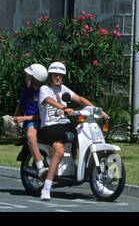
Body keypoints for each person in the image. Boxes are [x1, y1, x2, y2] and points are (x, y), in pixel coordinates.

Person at [37, 61, 107, 201]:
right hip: (49, 127)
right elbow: (49, 100)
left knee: (81, 137)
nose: (58, 78)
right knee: (60, 151)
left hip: (64, 125)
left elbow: (79, 99)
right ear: (51, 76)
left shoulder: (64, 89)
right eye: (55, 75)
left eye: (61, 76)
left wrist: (98, 110)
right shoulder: (44, 89)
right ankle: (46, 187)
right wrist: (62, 108)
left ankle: (77, 170)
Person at [14, 64, 47, 179]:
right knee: (30, 135)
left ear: (35, 79)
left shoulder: (44, 92)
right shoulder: (26, 90)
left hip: (43, 121)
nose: (25, 78)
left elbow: (43, 114)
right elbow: (21, 103)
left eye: (28, 76)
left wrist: (23, 118)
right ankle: (40, 167)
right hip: (32, 123)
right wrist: (16, 117)